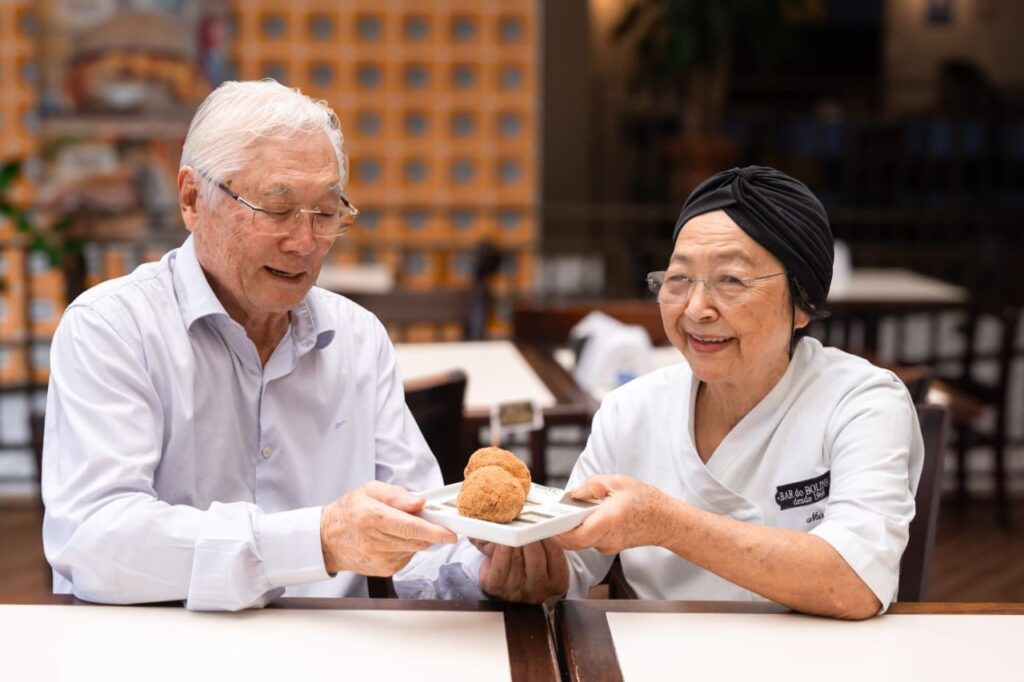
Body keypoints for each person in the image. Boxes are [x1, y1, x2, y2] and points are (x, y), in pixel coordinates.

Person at [41, 80, 485, 610]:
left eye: (325, 213)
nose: (304, 243)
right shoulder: (114, 328)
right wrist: (315, 541)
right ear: (191, 199)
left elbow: (418, 531)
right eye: (277, 209)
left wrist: (488, 571)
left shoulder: (358, 338)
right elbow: (97, 542)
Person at [479, 166, 923, 619]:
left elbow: (852, 584)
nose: (695, 309)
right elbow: (574, 561)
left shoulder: (862, 402)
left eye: (730, 281)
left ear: (803, 301)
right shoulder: (632, 409)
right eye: (678, 280)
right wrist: (529, 568)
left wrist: (663, 522)